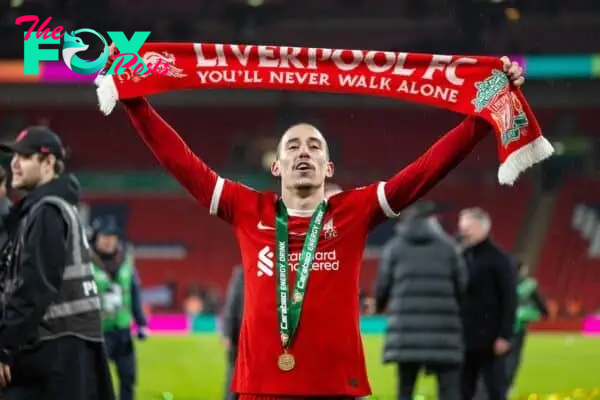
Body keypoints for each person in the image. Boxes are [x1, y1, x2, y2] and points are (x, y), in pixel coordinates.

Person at [105, 47, 524, 400]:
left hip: (335, 387)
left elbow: (424, 172)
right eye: (293, 146)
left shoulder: (354, 210)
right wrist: (134, 101)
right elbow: (180, 162)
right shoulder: (246, 207)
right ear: (276, 165)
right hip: (260, 386)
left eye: (314, 146)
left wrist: (481, 119)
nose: (304, 152)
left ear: (328, 166)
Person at [0, 126, 114, 399]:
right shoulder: (49, 209)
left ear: (48, 163)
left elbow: (34, 288)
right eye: (14, 157)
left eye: (25, 157)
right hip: (62, 352)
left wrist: (3, 347)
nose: (14, 164)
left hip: (55, 355)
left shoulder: (48, 212)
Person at [375, 201, 467, 400]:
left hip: (406, 331)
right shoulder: (449, 247)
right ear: (433, 220)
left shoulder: (394, 248)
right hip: (443, 330)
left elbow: (383, 287)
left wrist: (381, 306)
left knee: (405, 388)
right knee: (448, 389)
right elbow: (462, 285)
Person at [457, 207, 517, 400]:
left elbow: (509, 298)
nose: (463, 231)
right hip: (464, 336)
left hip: (490, 338)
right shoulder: (460, 256)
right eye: (462, 227)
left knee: (494, 388)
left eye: (468, 227)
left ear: (484, 228)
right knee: (462, 388)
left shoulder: (499, 259)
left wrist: (504, 335)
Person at [91, 215, 149, 400]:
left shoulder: (126, 261)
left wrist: (141, 322)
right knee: (97, 381)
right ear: (96, 238)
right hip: (97, 332)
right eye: (104, 236)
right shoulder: (86, 262)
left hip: (122, 331)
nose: (108, 241)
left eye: (112, 236)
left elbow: (134, 292)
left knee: (128, 378)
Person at [505, 260, 548, 390]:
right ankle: (508, 383)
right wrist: (542, 313)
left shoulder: (502, 281)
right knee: (514, 355)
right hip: (518, 324)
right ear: (522, 269)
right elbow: (540, 304)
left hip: (499, 322)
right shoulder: (528, 285)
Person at [222, 265, 244, 400]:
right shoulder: (241, 274)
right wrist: (228, 334)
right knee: (234, 374)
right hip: (238, 335)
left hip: (254, 335)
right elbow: (230, 306)